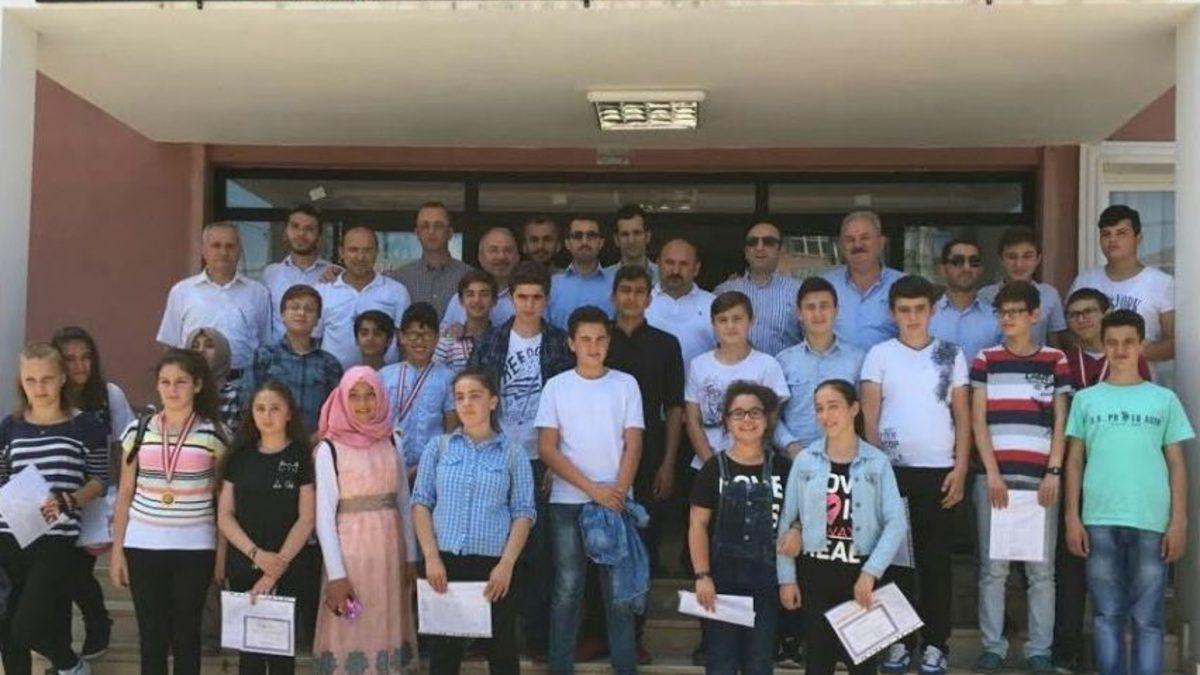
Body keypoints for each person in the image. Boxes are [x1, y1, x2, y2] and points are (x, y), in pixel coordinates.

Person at [1064, 310, 1193, 675]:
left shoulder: (1163, 399)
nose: (1120, 350)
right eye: (1112, 343)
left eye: (1128, 342)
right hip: (1099, 519)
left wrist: (1178, 521)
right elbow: (1074, 461)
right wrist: (1072, 517)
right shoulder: (1086, 399)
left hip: (1151, 519)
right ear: (1103, 346)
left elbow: (1177, 464)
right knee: (1106, 616)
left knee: (1148, 619)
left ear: (1141, 346)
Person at [860, 275, 970, 675]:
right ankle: (898, 642)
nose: (912, 317)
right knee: (895, 563)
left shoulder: (951, 354)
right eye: (904, 310)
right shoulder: (879, 355)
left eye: (919, 309)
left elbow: (962, 415)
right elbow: (870, 418)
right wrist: (876, 472)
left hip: (939, 472)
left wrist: (961, 467)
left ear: (932, 310)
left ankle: (936, 643)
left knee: (935, 563)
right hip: (893, 474)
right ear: (893, 313)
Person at [467, 261, 574, 661]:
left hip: (540, 457)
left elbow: (570, 407)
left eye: (537, 297)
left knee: (540, 552)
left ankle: (536, 637)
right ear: (510, 298)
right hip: (496, 454)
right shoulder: (491, 341)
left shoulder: (559, 343)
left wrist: (555, 460)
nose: (529, 304)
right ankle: (486, 634)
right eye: (522, 297)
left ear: (547, 299)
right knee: (489, 545)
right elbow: (473, 397)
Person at [536, 305, 645, 675]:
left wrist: (617, 492)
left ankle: (624, 666)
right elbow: (548, 448)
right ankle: (560, 666)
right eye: (585, 339)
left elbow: (634, 443)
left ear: (609, 342)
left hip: (615, 500)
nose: (593, 346)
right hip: (569, 501)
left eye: (600, 339)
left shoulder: (626, 384)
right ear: (571, 343)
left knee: (618, 592)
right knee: (568, 588)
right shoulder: (556, 386)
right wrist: (592, 489)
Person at [969, 281, 1071, 675]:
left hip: (1040, 479)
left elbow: (1061, 420)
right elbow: (978, 420)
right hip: (994, 479)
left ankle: (1038, 651)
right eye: (1003, 312)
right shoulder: (986, 359)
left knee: (1041, 571)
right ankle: (992, 648)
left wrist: (1054, 471)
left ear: (1034, 315)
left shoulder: (1055, 359)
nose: (1008, 319)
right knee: (992, 569)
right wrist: (992, 473)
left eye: (1016, 312)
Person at [110, 349, 228, 675]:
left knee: (187, 634)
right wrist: (118, 551)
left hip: (195, 546)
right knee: (152, 637)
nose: (172, 389)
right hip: (142, 543)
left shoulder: (215, 433)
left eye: (180, 382)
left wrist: (221, 554)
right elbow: (124, 494)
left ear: (197, 385)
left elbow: (223, 501)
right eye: (165, 382)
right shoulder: (137, 430)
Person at [777, 379, 907, 675]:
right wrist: (787, 578)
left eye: (833, 406)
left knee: (862, 665)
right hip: (816, 573)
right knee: (817, 663)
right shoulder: (805, 461)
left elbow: (896, 522)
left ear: (854, 408)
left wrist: (870, 572)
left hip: (860, 574)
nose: (825, 415)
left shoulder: (877, 462)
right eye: (819, 409)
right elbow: (787, 521)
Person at [411, 367, 536, 675]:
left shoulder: (513, 454)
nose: (466, 403)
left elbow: (523, 512)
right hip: (446, 563)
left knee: (502, 652)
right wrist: (431, 557)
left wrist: (507, 564)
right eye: (460, 397)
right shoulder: (438, 447)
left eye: (475, 396)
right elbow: (421, 503)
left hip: (494, 567)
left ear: (492, 401)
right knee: (444, 655)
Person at [0, 343, 109, 675]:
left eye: (46, 379)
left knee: (27, 624)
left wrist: (70, 499)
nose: (39, 388)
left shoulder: (86, 425)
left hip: (57, 538)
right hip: (9, 536)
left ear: (62, 378)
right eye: (30, 380)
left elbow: (100, 479)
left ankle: (70, 665)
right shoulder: (10, 426)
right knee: (8, 630)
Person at [595, 265, 685, 662]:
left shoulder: (666, 344)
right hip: (599, 455)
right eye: (625, 290)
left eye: (639, 291)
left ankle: (635, 635)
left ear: (650, 299)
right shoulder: (598, 339)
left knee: (640, 547)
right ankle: (595, 633)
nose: (631, 297)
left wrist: (668, 463)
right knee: (597, 545)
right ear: (613, 295)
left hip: (649, 458)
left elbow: (675, 408)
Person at [312, 367, 418, 675]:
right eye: (354, 396)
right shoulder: (329, 449)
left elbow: (403, 501)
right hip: (350, 556)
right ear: (342, 399)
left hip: (390, 553)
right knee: (352, 627)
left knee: (387, 620)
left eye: (370, 395)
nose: (363, 404)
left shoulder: (392, 441)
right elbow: (324, 517)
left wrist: (411, 557)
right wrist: (336, 575)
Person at [687, 382, 789, 675]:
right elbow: (697, 525)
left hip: (767, 580)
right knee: (721, 661)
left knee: (759, 662)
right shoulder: (712, 469)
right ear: (727, 421)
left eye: (755, 412)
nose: (747, 420)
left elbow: (797, 517)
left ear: (767, 419)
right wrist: (703, 576)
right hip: (722, 581)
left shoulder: (784, 468)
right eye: (738, 413)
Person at [217, 381, 316, 675]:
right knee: (249, 658)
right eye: (260, 408)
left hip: (289, 566)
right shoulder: (239, 457)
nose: (267, 415)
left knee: (281, 657)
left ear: (289, 413)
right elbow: (225, 515)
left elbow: (306, 518)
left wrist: (275, 568)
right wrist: (256, 555)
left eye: (275, 408)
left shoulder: (301, 456)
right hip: (244, 564)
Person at [51, 326, 136, 660]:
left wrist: (125, 491)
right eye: (70, 359)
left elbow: (126, 446)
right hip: (55, 497)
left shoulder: (109, 395)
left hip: (97, 495)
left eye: (86, 357)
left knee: (77, 569)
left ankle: (96, 621)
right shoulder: (48, 394)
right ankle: (65, 647)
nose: (79, 366)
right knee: (59, 571)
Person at [685, 291, 789, 472]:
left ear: (751, 321)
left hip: (754, 463)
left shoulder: (767, 365)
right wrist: (713, 467)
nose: (730, 326)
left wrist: (746, 460)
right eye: (722, 320)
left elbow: (771, 419)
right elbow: (692, 419)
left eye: (737, 319)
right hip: (707, 464)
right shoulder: (699, 365)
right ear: (713, 324)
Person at [157, 222, 272, 374]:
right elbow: (170, 344)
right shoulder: (182, 291)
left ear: (239, 250)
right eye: (216, 246)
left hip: (244, 380)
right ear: (204, 250)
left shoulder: (258, 293)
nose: (223, 252)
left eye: (230, 246)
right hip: (195, 379)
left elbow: (265, 344)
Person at [1069, 204, 1175, 363]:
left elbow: (1174, 343)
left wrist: (1132, 351)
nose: (1113, 240)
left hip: (1138, 376)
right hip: (1089, 375)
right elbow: (1067, 334)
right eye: (1106, 234)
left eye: (1121, 233)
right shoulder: (1085, 280)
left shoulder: (1162, 283)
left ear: (1138, 238)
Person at [774, 276, 866, 459]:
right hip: (795, 461)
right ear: (799, 313)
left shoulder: (857, 359)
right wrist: (791, 446)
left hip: (845, 459)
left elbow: (864, 413)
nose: (817, 313)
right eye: (810, 307)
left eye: (824, 306)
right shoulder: (783, 361)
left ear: (836, 311)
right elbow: (771, 416)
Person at [247, 284, 345, 434]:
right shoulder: (263, 357)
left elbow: (337, 412)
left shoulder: (330, 364)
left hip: (315, 443)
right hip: (269, 440)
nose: (301, 313)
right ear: (283, 315)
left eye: (309, 309)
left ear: (318, 319)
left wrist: (316, 439)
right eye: (294, 307)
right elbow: (248, 403)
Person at [379, 302, 457, 475]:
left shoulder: (448, 378)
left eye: (427, 335)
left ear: (437, 338)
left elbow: (450, 429)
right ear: (401, 337)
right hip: (390, 464)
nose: (420, 341)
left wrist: (431, 464)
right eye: (413, 335)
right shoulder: (384, 376)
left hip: (432, 466)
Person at [317, 226, 411, 368]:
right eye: (353, 250)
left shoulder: (396, 292)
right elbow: (313, 339)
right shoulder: (323, 291)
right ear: (341, 252)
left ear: (376, 252)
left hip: (383, 377)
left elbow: (404, 344)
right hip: (333, 377)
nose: (360, 257)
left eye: (367, 250)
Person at [714, 221, 802, 356]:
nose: (759, 247)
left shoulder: (798, 291)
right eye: (752, 242)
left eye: (768, 242)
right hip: (735, 368)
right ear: (746, 251)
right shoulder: (724, 291)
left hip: (783, 368)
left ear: (780, 250)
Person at [821, 211, 904, 351]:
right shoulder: (825, 285)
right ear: (841, 246)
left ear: (881, 243)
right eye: (850, 240)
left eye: (865, 238)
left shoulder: (903, 284)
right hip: (835, 365)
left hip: (887, 365)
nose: (857, 245)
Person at [977, 227, 1067, 348]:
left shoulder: (1050, 295)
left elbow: (1055, 344)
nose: (1019, 264)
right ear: (1001, 260)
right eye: (1012, 257)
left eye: (1027, 256)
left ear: (1038, 259)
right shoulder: (984, 296)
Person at [262, 204, 332, 341]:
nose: (301, 234)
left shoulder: (333, 275)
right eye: (295, 226)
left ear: (319, 236)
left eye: (309, 229)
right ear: (286, 231)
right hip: (278, 352)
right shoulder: (270, 274)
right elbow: (263, 322)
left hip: (321, 352)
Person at [389, 202, 472, 318]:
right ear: (417, 233)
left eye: (438, 226)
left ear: (450, 233)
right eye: (425, 226)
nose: (431, 231)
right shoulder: (399, 279)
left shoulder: (469, 277)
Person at [1062, 287, 1151, 391]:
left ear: (1107, 314)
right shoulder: (1062, 361)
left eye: (1088, 311)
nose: (1081, 319)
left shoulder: (1130, 358)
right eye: (1073, 315)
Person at [645, 238, 716, 366]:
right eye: (669, 263)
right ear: (658, 264)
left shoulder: (713, 304)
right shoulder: (640, 303)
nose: (676, 271)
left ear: (696, 268)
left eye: (683, 264)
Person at [929, 239, 1002, 362]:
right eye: (958, 261)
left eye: (974, 262)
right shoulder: (926, 317)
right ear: (943, 269)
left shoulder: (997, 318)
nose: (967, 268)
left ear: (981, 269)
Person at [441, 227, 519, 330]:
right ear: (480, 257)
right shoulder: (458, 301)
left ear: (517, 257)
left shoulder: (527, 299)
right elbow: (444, 336)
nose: (501, 256)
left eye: (508, 250)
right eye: (493, 250)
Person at [547, 217, 615, 330]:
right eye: (577, 236)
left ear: (601, 243)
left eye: (591, 235)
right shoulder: (552, 285)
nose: (584, 242)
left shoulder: (615, 285)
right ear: (567, 243)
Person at [435, 270, 498, 373]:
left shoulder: (501, 339)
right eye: (470, 294)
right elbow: (436, 377)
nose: (477, 300)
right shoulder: (447, 341)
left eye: (484, 294)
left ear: (494, 300)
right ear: (461, 301)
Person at [188, 327, 244, 434]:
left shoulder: (233, 396)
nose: (201, 350)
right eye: (195, 346)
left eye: (209, 346)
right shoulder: (178, 390)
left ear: (222, 353)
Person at [604, 204, 660, 285]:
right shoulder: (603, 279)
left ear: (647, 236)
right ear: (616, 240)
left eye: (637, 233)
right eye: (625, 234)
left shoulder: (663, 275)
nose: (631, 240)